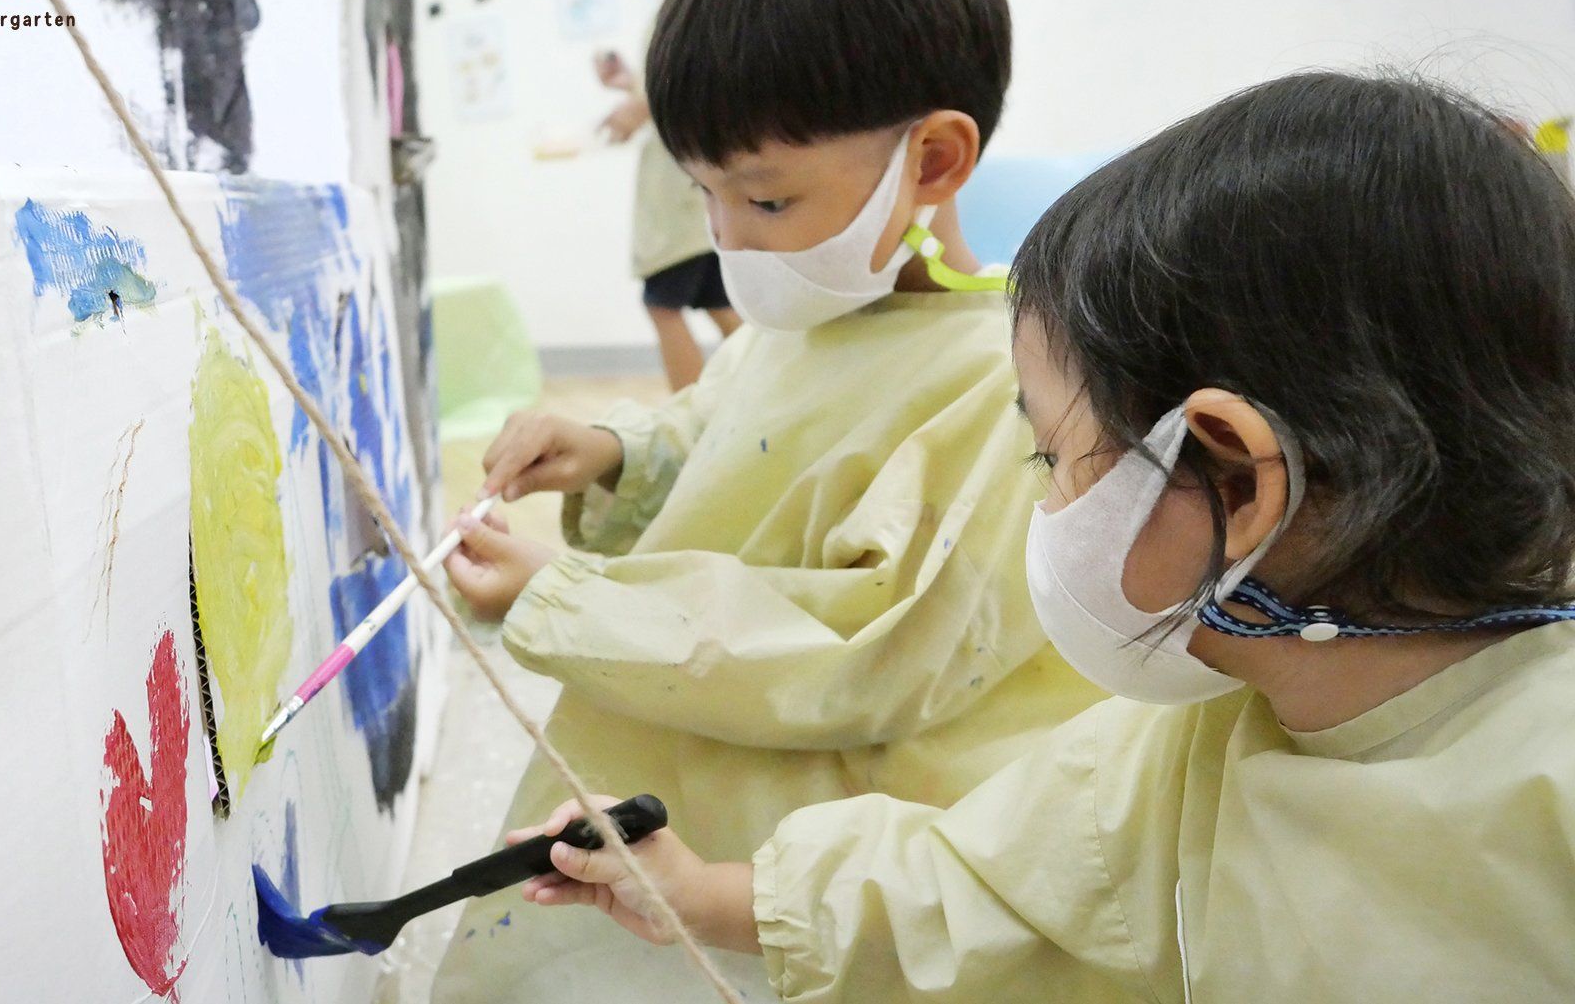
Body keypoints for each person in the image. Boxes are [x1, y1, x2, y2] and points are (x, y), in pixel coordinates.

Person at [515, 71, 1575, 1002]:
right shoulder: (1209, 727)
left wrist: (560, 597)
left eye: (1054, 457)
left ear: (1241, 484)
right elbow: (981, 880)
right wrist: (700, 892)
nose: (729, 237)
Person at [432, 0, 1106, 999]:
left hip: (817, 831)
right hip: (690, 766)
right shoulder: (803, 318)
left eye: (767, 198)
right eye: (703, 195)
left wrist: (565, 601)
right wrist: (611, 451)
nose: (730, 240)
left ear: (932, 160)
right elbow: (718, 435)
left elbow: (877, 644)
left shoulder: (1009, 384)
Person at [599, 0, 740, 390]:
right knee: (720, 303)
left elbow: (698, 83)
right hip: (693, 183)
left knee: (662, 304)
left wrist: (639, 105)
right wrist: (632, 86)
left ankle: (695, 417)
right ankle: (764, 393)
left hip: (686, 190)